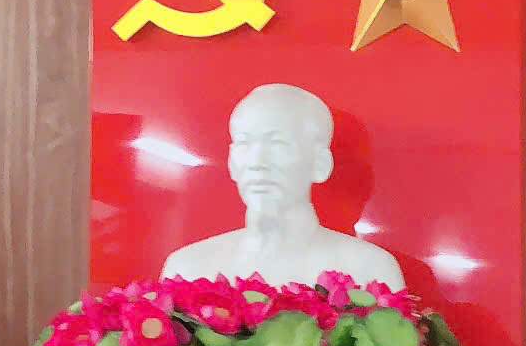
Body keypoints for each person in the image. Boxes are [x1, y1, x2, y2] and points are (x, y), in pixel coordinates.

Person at [161, 83, 404, 288]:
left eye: (278, 144)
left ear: (320, 164)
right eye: (245, 144)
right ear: (232, 162)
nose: (257, 162)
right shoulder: (188, 270)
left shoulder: (370, 271)